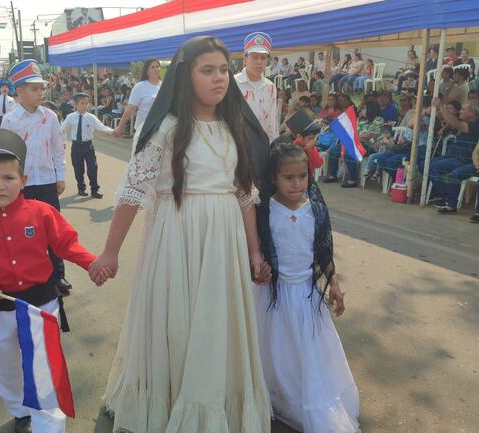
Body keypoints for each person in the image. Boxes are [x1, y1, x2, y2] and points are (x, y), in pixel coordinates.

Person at [89, 36, 272, 433]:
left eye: (224, 70)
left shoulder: (234, 125)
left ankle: (214, 406)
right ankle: (175, 406)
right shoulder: (166, 128)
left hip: (224, 242)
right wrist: (110, 252)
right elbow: (132, 191)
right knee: (181, 325)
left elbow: (244, 195)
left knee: (216, 325)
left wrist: (255, 254)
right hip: (178, 238)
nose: (219, 78)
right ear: (184, 77)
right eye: (207, 70)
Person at [0, 128, 96, 433]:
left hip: (39, 307)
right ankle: (20, 410)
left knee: (44, 370)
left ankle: (48, 424)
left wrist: (92, 264)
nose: (0, 185)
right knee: (2, 367)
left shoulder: (42, 213)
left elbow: (67, 245)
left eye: (8, 178)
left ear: (24, 181)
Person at [254, 141, 359, 433]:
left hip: (305, 296)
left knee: (307, 354)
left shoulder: (315, 210)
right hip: (271, 297)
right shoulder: (264, 209)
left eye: (303, 176)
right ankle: (276, 396)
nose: (297, 183)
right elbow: (257, 247)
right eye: (289, 177)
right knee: (274, 351)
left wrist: (334, 284)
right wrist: (259, 266)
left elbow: (323, 251)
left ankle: (305, 400)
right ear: (273, 177)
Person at [1, 60, 72, 296]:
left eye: (41, 88)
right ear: (18, 91)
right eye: (34, 89)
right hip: (22, 186)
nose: (40, 93)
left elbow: (57, 148)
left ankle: (57, 275)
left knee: (53, 230)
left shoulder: (50, 117)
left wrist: (59, 176)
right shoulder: (10, 120)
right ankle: (27, 276)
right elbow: (7, 156)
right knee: (24, 231)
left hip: (46, 182)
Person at [61, 92, 113, 198]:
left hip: (88, 146)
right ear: (75, 105)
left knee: (92, 168)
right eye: (82, 103)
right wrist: (63, 142)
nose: (85, 106)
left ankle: (95, 190)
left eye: (86, 103)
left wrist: (114, 131)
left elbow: (102, 127)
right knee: (78, 169)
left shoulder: (91, 117)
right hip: (76, 146)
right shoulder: (70, 117)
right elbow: (61, 131)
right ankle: (81, 188)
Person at [234, 32, 279, 143]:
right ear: (245, 58)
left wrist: (274, 147)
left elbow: (272, 121)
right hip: (238, 144)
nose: (259, 62)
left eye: (263, 58)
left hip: (261, 145)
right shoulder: (233, 83)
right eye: (254, 57)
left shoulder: (270, 87)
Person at [113, 58, 161, 138]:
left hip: (159, 129)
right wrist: (120, 127)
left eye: (157, 66)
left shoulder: (163, 86)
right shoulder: (140, 86)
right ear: (146, 71)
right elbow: (129, 109)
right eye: (152, 67)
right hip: (143, 129)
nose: (156, 69)